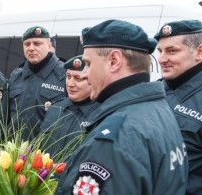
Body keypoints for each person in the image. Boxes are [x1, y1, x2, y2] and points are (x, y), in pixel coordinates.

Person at [56, 19, 188, 194]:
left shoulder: (116, 137)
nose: (85, 75)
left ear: (114, 61)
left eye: (88, 64)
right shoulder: (159, 110)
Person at [155, 20, 202, 195]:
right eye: (160, 51)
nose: (162, 59)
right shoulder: (156, 91)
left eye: (172, 51)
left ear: (200, 51)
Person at [9, 26, 66, 141]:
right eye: (27, 44)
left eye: (37, 43)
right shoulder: (16, 76)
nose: (31, 48)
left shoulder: (64, 76)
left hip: (47, 154)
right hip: (15, 152)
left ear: (49, 46)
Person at [40, 55, 99, 161]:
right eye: (68, 76)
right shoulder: (55, 108)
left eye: (78, 78)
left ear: (93, 79)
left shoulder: (101, 114)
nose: (70, 84)